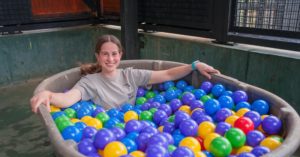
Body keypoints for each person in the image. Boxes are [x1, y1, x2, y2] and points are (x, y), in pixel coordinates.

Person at [30, 34, 220, 113]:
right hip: (105, 126)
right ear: (98, 56)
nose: (110, 59)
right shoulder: (90, 82)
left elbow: (167, 75)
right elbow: (68, 99)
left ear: (120, 55)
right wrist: (49, 94)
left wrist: (194, 65)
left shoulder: (130, 75)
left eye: (114, 54)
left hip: (134, 118)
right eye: (105, 54)